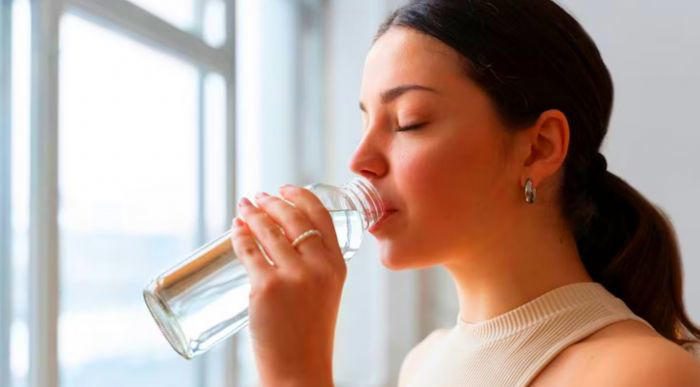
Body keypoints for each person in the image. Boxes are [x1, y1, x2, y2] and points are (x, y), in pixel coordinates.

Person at [229, 0, 700, 385]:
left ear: (539, 147)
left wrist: (294, 373)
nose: (359, 160)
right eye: (364, 121)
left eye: (409, 121)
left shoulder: (640, 374)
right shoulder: (423, 364)